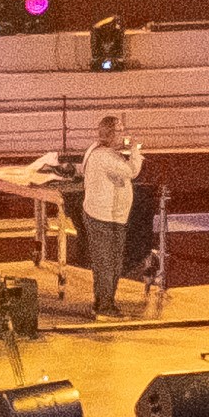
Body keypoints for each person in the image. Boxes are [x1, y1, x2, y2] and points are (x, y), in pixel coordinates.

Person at [76, 116, 145, 321]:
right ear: (110, 133)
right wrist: (135, 150)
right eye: (120, 131)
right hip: (103, 217)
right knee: (108, 263)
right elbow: (132, 172)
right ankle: (105, 306)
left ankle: (103, 302)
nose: (124, 135)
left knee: (108, 262)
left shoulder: (100, 152)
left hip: (110, 216)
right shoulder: (104, 156)